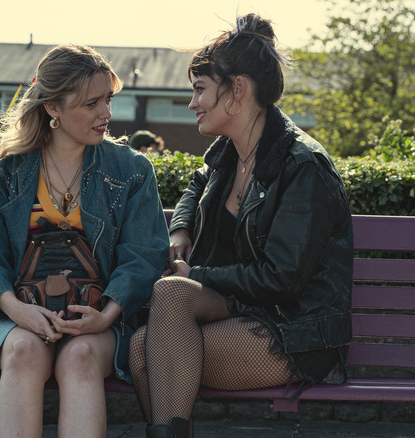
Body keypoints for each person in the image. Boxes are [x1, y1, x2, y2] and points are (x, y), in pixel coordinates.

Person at [129, 13, 353, 438]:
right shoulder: (230, 152)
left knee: (153, 340)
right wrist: (181, 229)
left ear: (237, 91)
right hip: (242, 309)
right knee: (149, 335)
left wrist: (197, 275)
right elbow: (197, 186)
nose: (192, 103)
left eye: (199, 90)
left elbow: (281, 277)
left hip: (294, 328)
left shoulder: (303, 167)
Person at [0, 44, 169, 438]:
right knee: (21, 352)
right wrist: (17, 311)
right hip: (21, 315)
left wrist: (105, 315)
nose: (106, 113)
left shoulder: (132, 169)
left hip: (100, 318)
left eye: (108, 99)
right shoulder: (3, 170)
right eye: (92, 103)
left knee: (82, 358)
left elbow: (144, 254)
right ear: (53, 107)